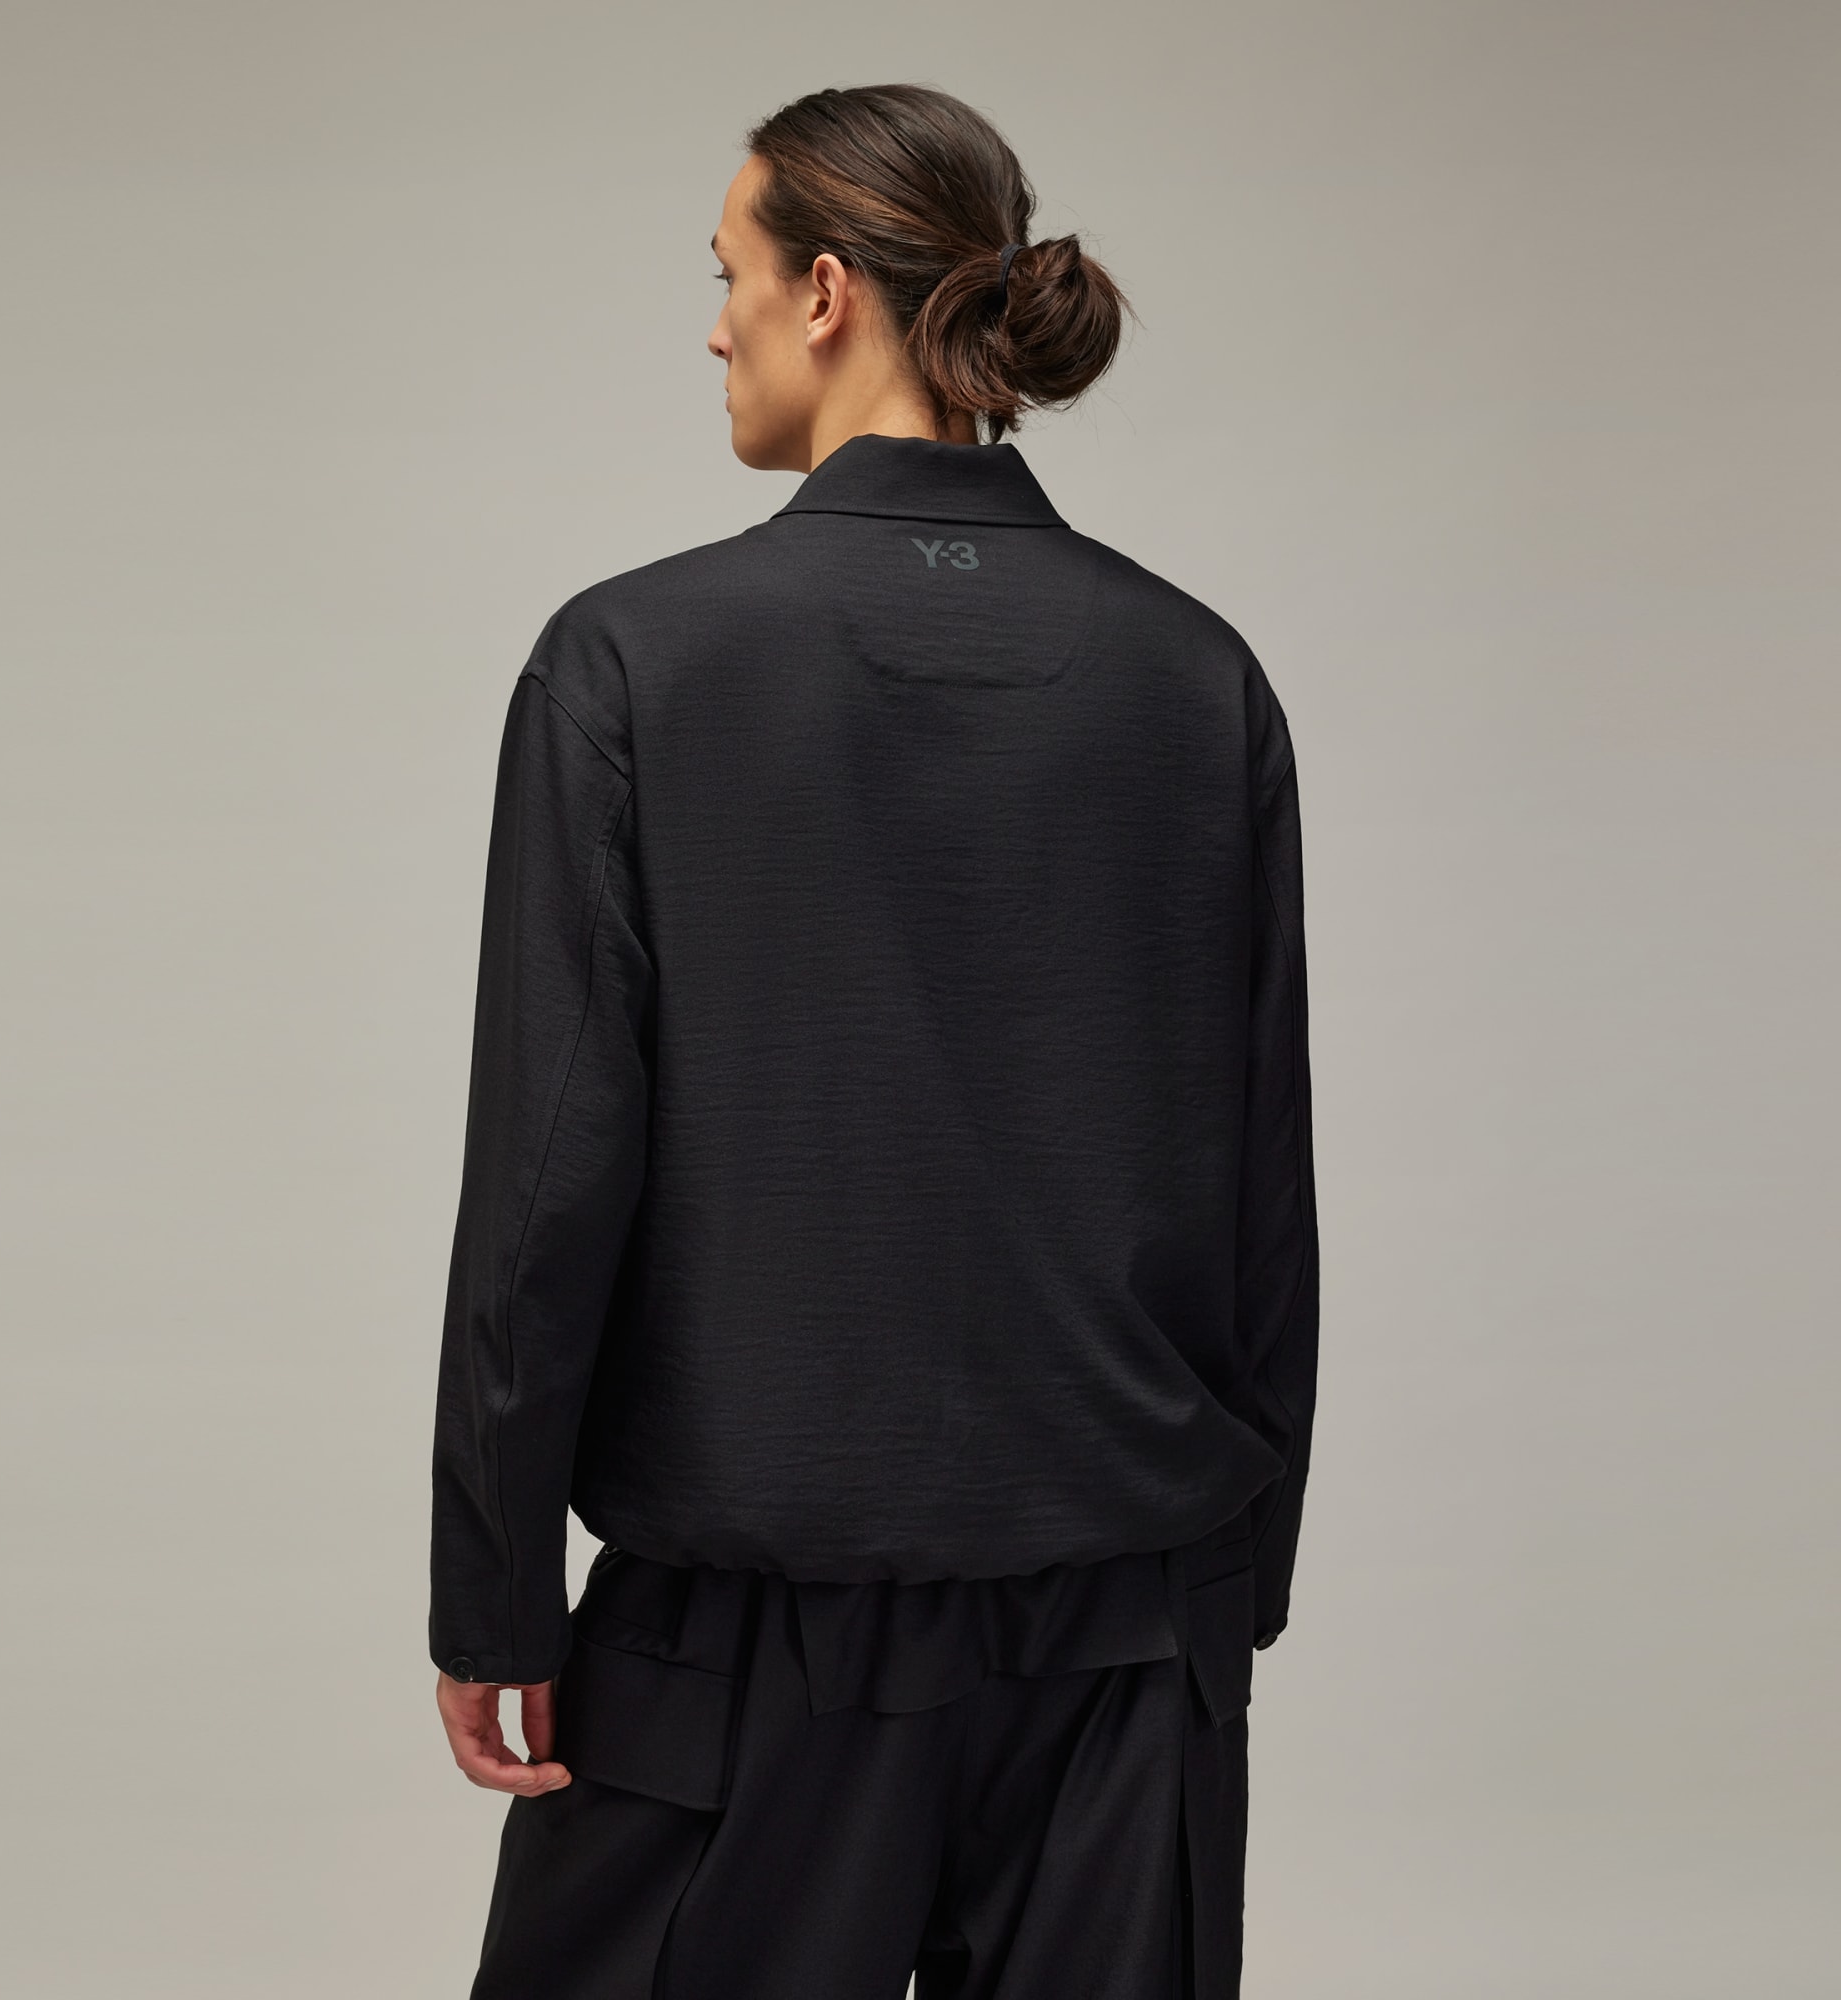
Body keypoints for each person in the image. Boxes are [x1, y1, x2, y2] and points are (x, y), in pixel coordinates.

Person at [428, 82, 1319, 2000]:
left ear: (826, 291)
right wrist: (1233, 1597)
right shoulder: (1197, 678)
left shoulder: (633, 665)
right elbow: (1265, 1176)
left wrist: (494, 1593)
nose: (715, 327)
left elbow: (549, 1180)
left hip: (746, 1650)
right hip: (1129, 1643)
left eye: (727, 275)